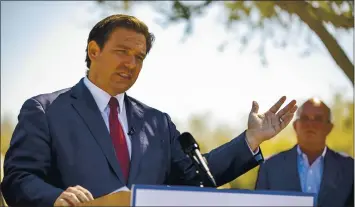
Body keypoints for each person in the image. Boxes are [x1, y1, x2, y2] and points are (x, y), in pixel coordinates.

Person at [1, 14, 297, 207]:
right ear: (94, 51)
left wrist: (251, 139)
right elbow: (17, 179)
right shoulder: (46, 110)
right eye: (122, 52)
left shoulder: (157, 122)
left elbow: (195, 179)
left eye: (139, 57)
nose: (131, 63)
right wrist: (55, 198)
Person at [255, 98, 354, 207]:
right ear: (295, 126)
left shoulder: (350, 168)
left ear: (329, 127)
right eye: (305, 118)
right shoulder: (270, 167)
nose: (310, 124)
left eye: (318, 119)